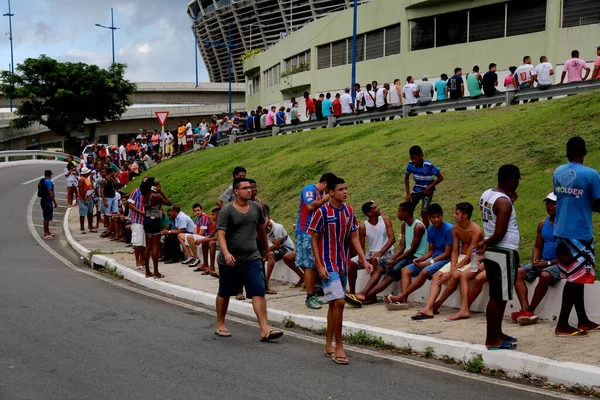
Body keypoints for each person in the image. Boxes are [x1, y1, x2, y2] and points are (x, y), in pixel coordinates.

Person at [309, 177, 372, 364]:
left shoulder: (349, 211)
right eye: (340, 189)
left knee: (334, 305)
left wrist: (363, 258)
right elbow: (314, 239)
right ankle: (339, 346)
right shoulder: (322, 212)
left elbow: (354, 238)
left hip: (342, 263)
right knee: (340, 302)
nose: (344, 192)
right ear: (331, 193)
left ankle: (328, 344)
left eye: (346, 188)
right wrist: (319, 265)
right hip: (328, 265)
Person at [215, 178, 283, 342]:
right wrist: (226, 253)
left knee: (258, 291)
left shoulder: (256, 208)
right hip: (230, 259)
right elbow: (221, 234)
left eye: (251, 188)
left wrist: (265, 250)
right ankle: (221, 324)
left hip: (252, 257)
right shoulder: (227, 211)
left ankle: (265, 329)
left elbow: (260, 230)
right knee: (225, 292)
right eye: (245, 188)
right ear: (236, 191)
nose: (249, 190)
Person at [553, 137, 600, 337]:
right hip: (580, 232)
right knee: (575, 278)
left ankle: (582, 320)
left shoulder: (558, 172)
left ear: (566, 151)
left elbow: (561, 196)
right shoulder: (591, 174)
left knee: (576, 277)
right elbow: (598, 204)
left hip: (561, 230)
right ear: (585, 152)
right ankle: (562, 324)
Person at [477, 164, 521, 350]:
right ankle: (492, 338)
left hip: (494, 252)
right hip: (503, 250)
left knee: (500, 295)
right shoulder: (504, 202)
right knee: (497, 296)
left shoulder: (488, 194)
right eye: (518, 179)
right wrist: (486, 242)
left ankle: (498, 332)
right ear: (511, 180)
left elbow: (496, 217)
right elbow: (500, 232)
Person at [414, 202, 483, 319]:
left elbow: (469, 257)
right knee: (437, 276)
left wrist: (451, 272)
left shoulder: (476, 231)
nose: (454, 216)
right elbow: (455, 251)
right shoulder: (456, 228)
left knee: (455, 275)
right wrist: (451, 268)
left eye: (457, 213)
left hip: (473, 259)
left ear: (465, 216)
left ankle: (438, 305)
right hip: (461, 257)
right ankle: (429, 308)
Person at [383, 203, 451, 309]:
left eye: (439, 216)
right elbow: (430, 251)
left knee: (424, 271)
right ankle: (403, 302)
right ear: (429, 218)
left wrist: (429, 262)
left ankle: (400, 297)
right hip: (432, 257)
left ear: (442, 216)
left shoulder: (449, 229)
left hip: (445, 259)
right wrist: (421, 259)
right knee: (405, 270)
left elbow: (447, 253)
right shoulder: (431, 229)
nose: (436, 219)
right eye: (433, 217)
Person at [359, 202, 427, 302]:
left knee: (392, 273)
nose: (397, 214)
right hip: (407, 255)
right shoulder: (404, 225)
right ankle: (364, 295)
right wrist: (392, 259)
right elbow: (402, 245)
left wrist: (395, 260)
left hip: (416, 256)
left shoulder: (418, 226)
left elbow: (412, 249)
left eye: (399, 212)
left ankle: (364, 295)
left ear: (406, 213)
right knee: (388, 270)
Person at [512, 193, 560, 326]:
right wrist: (535, 260)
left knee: (545, 275)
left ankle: (531, 310)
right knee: (517, 273)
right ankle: (525, 309)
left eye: (553, 203)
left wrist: (548, 263)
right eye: (548, 203)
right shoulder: (542, 224)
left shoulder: (565, 225)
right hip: (543, 262)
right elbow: (538, 246)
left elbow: (567, 255)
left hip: (559, 264)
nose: (549, 206)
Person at [295, 173, 336, 310]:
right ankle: (309, 296)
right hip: (306, 231)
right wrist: (325, 199)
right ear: (324, 184)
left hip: (314, 232)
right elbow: (310, 207)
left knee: (315, 263)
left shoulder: (319, 193)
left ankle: (314, 294)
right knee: (309, 265)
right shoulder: (310, 190)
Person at [347, 201, 395, 305]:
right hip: (372, 252)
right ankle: (352, 292)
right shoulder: (364, 226)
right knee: (351, 263)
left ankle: (371, 296)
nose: (378, 208)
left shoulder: (385, 220)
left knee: (375, 260)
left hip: (387, 252)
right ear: (370, 213)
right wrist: (361, 258)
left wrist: (381, 252)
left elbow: (392, 239)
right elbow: (362, 246)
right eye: (375, 207)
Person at [404, 145, 444, 227]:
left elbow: (440, 177)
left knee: (424, 212)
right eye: (411, 158)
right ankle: (410, 229)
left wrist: (429, 187)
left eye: (415, 158)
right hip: (417, 189)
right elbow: (406, 178)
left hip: (427, 191)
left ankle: (426, 232)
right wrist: (408, 194)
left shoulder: (428, 165)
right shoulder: (410, 165)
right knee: (407, 209)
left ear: (421, 155)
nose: (413, 160)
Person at [264, 205, 299, 294]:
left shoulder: (277, 227)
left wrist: (266, 251)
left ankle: (266, 281)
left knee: (270, 254)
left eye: (265, 220)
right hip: (278, 249)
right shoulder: (264, 229)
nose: (263, 223)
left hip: (287, 248)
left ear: (269, 218)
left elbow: (276, 245)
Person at [141, 178, 172, 278]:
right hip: (154, 222)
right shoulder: (156, 196)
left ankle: (147, 271)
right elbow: (169, 203)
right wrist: (161, 192)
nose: (159, 185)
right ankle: (156, 272)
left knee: (147, 247)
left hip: (146, 220)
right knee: (155, 247)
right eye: (157, 184)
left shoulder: (146, 195)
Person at [179, 203, 216, 268]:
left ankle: (196, 258)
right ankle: (190, 257)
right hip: (200, 236)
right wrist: (193, 237)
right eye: (195, 211)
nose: (197, 212)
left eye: (198, 210)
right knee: (180, 236)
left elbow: (201, 233)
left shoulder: (205, 217)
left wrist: (192, 238)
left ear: (201, 210)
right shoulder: (197, 218)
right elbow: (195, 230)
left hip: (206, 237)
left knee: (190, 237)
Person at [128, 180, 146, 271]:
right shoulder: (136, 191)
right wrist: (139, 212)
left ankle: (143, 261)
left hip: (146, 221)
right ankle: (137, 261)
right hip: (137, 220)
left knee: (144, 243)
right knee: (138, 242)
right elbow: (130, 204)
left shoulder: (150, 193)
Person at [39, 169, 57, 239]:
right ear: (50, 175)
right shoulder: (48, 182)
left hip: (44, 200)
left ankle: (48, 231)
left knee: (47, 217)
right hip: (47, 201)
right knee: (47, 217)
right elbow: (50, 192)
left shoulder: (44, 181)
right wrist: (54, 201)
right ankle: (46, 233)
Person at [78, 167, 96, 234]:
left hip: (89, 197)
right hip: (84, 198)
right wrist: (84, 199)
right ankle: (82, 228)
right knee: (83, 213)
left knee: (90, 213)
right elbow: (80, 190)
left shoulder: (87, 179)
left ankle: (90, 226)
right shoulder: (82, 180)